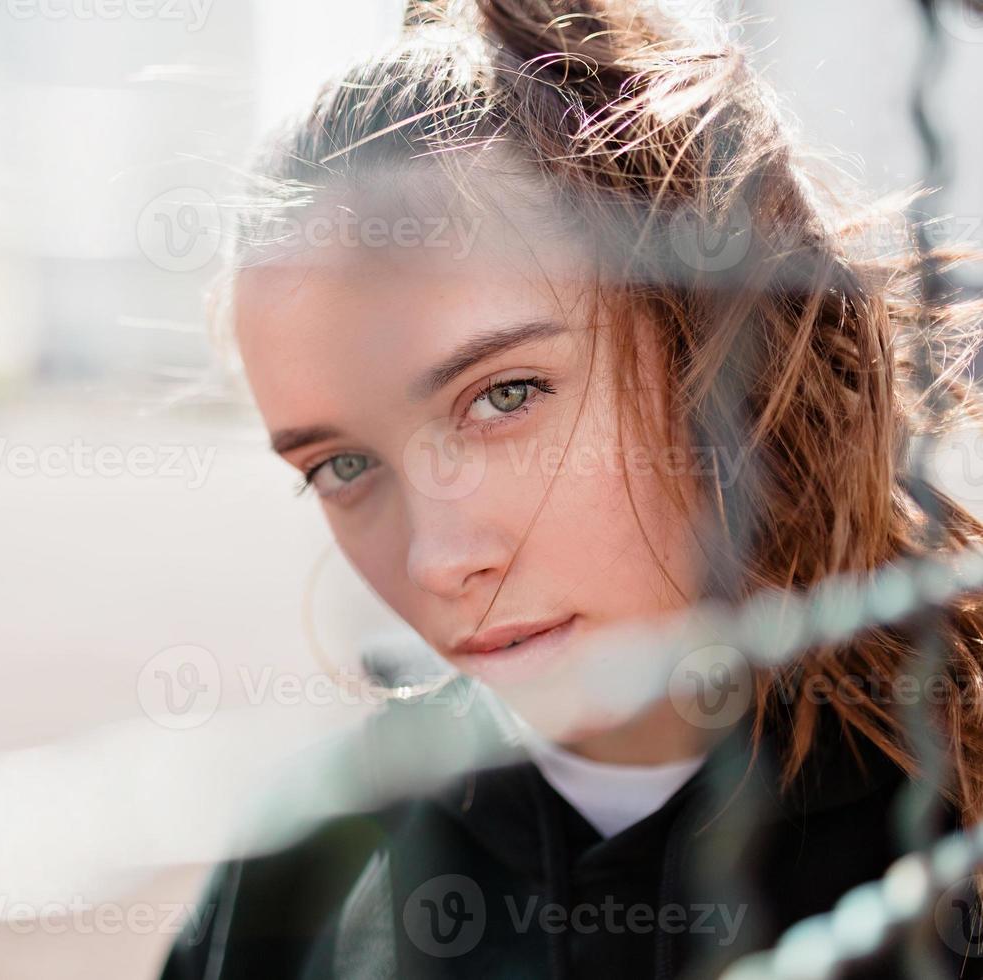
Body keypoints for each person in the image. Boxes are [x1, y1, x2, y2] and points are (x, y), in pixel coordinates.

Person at [160, 1, 983, 976]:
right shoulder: (301, 875)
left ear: (714, 352)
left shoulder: (952, 808)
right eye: (343, 465)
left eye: (505, 395)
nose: (440, 559)